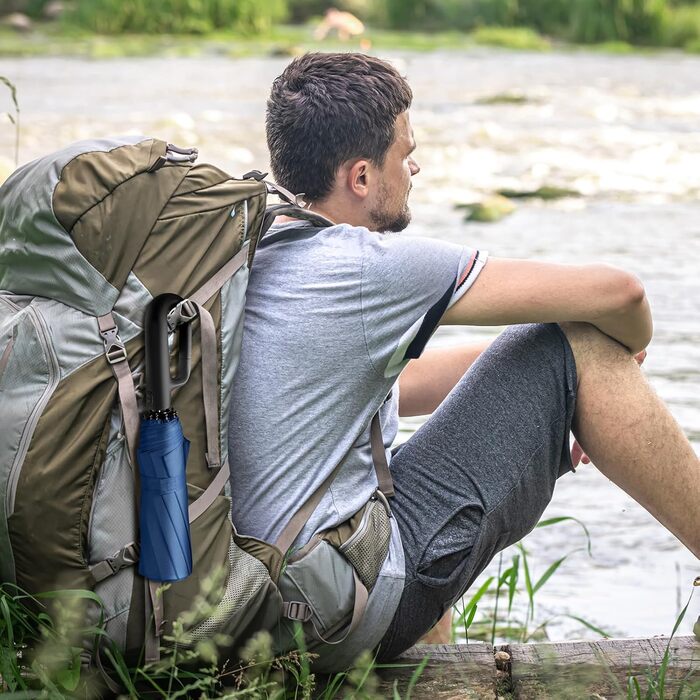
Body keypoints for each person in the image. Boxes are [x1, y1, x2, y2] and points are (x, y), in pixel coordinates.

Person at [228, 52, 700, 670]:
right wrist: (616, 354)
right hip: (324, 614)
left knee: (399, 488)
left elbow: (403, 384)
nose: (415, 164)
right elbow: (621, 293)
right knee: (585, 341)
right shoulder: (367, 269)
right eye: (405, 151)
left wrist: (566, 392)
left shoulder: (249, 249)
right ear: (362, 176)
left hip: (239, 596)